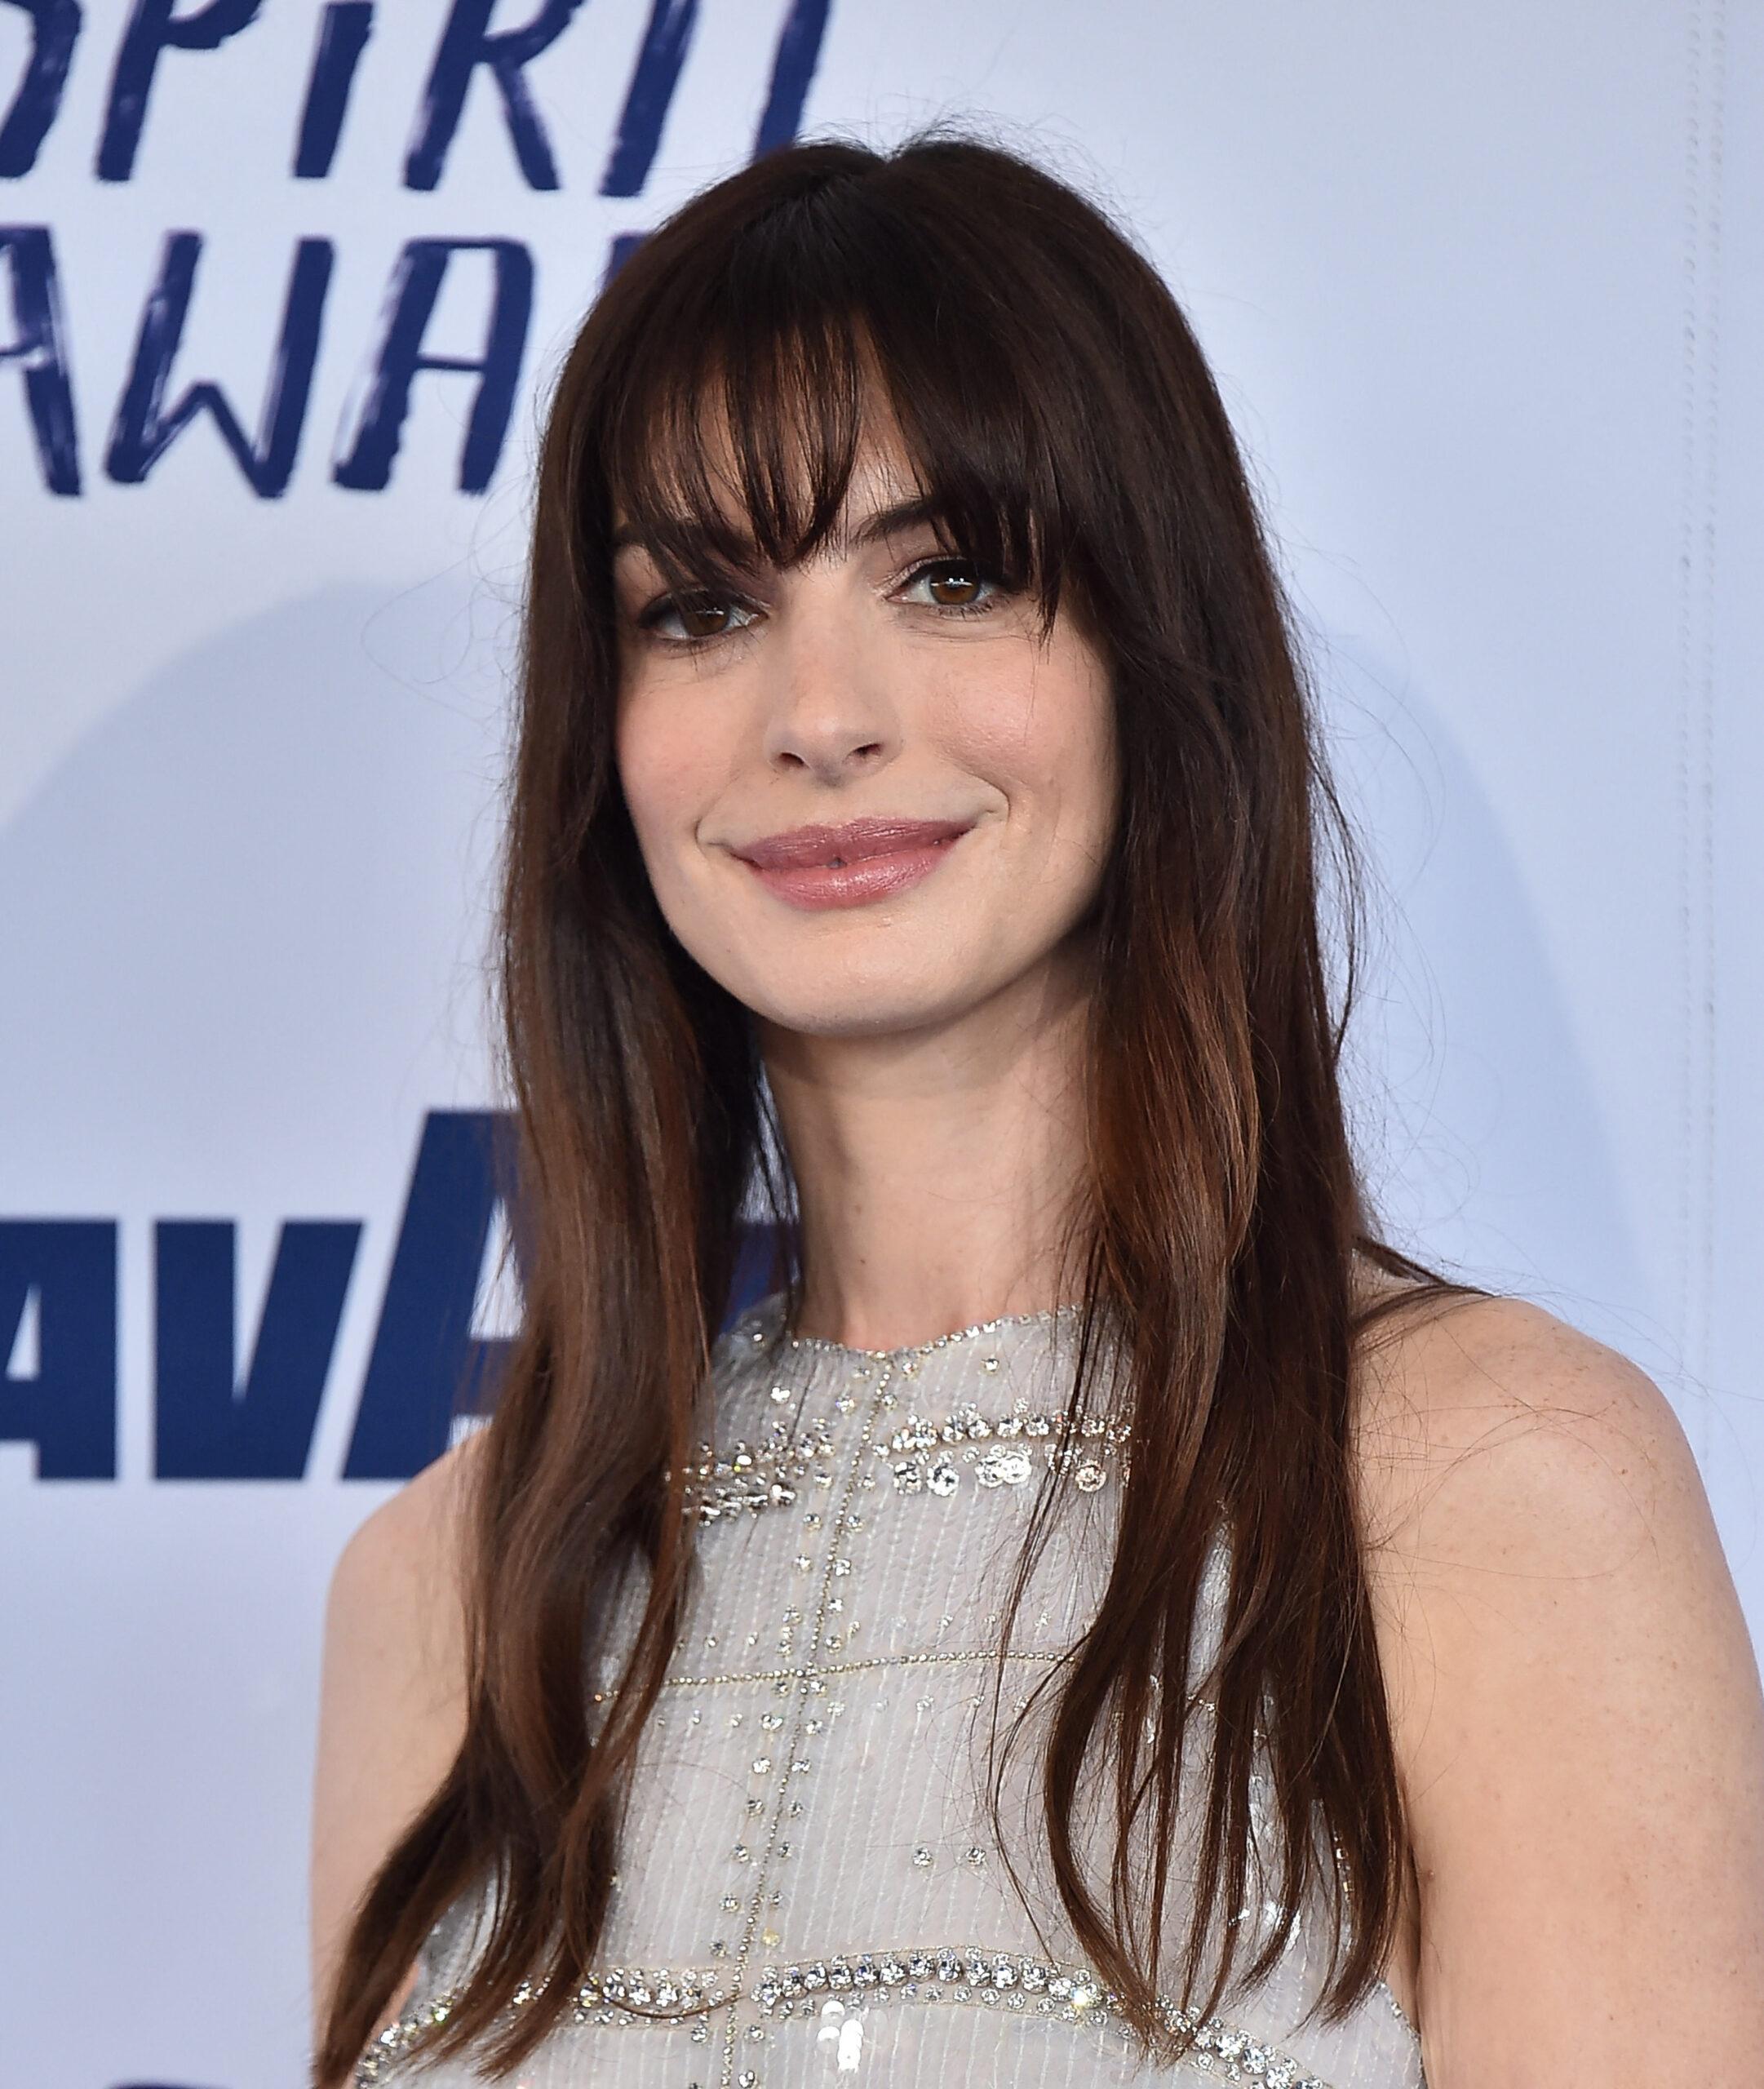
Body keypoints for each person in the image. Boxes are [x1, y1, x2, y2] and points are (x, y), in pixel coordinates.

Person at [308, 128, 1764, 2089]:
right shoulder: (448, 1585)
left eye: (953, 573)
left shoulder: (1482, 1480)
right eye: (700, 608)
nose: (818, 713)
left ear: (1149, 665)